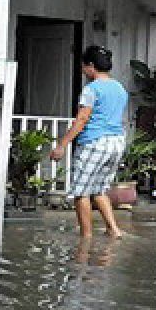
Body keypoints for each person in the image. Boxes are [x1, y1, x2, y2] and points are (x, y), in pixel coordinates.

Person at [51, 46, 128, 238]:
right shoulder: (119, 88)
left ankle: (86, 236)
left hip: (95, 142)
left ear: (91, 66)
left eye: (84, 66)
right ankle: (114, 229)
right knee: (99, 189)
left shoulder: (91, 89)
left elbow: (82, 119)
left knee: (81, 192)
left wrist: (62, 145)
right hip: (116, 143)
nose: (83, 71)